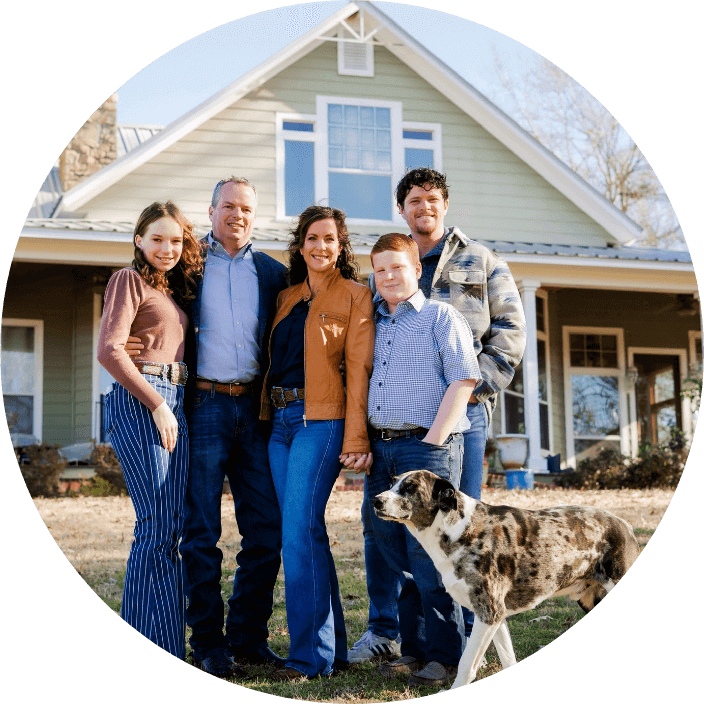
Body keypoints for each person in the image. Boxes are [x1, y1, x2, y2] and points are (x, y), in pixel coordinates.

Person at [351, 168, 526, 660]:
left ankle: (469, 632)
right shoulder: (387, 266)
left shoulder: (481, 259)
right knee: (390, 529)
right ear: (401, 209)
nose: (422, 207)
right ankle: (391, 633)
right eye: (412, 200)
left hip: (459, 418)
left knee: (457, 524)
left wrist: (465, 397)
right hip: (397, 426)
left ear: (444, 204)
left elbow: (510, 332)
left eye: (431, 199)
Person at [125, 177, 288, 678]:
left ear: (254, 216)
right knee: (201, 533)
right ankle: (209, 644)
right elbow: (150, 305)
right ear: (212, 210)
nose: (237, 214)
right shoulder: (188, 268)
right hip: (202, 406)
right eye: (228, 206)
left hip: (254, 411)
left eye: (246, 208)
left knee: (265, 530)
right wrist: (136, 344)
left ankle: (247, 638)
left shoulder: (273, 273)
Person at [259, 205, 375, 680]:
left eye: (330, 238)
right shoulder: (286, 297)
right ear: (300, 244)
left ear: (341, 246)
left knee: (297, 535)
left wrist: (356, 435)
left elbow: (360, 372)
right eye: (312, 238)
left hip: (321, 422)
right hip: (279, 423)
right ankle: (334, 651)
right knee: (305, 533)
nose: (320, 246)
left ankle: (308, 658)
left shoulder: (356, 295)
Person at [365, 233, 482, 688]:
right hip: (383, 448)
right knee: (389, 544)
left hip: (427, 449)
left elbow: (464, 380)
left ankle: (445, 656)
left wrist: (433, 442)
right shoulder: (373, 322)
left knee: (430, 552)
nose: (389, 276)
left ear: (417, 268)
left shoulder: (440, 316)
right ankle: (412, 649)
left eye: (397, 266)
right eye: (380, 269)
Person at [97, 201, 202, 659]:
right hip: (146, 403)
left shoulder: (172, 291)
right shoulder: (128, 280)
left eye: (176, 240)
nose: (167, 247)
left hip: (173, 400)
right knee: (156, 526)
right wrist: (158, 403)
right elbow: (109, 350)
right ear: (138, 239)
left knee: (169, 528)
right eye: (157, 238)